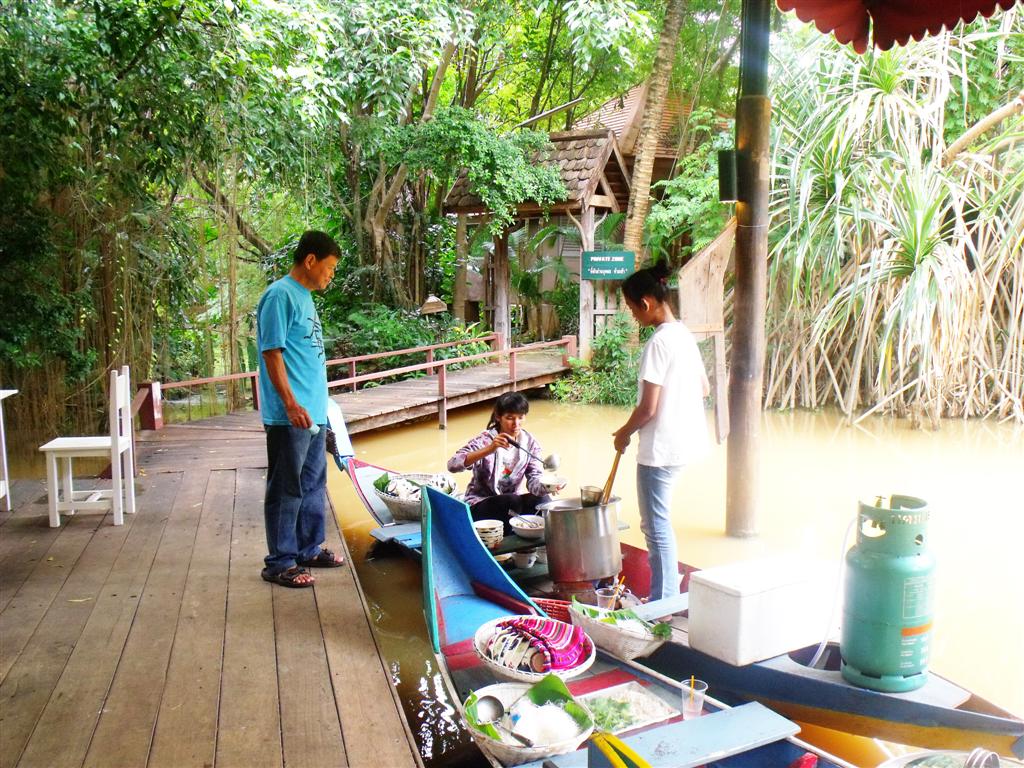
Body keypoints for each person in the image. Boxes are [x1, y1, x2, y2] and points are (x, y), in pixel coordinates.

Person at [612, 262, 710, 601]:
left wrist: (623, 433)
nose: (633, 315)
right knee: (660, 523)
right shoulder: (683, 335)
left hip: (660, 450)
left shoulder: (659, 343)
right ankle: (665, 596)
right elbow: (704, 388)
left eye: (631, 308)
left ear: (645, 303)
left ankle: (662, 602)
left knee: (655, 527)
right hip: (683, 445)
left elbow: (648, 408)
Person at [257, 230, 346, 588]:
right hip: (290, 416)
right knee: (286, 488)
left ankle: (307, 549)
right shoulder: (279, 295)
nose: (331, 275)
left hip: (314, 414)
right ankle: (280, 562)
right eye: (330, 267)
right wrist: (291, 404)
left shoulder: (305, 297)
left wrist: (323, 412)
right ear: (310, 260)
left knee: (312, 484)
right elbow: (271, 353)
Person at [447, 392, 555, 533]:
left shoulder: (530, 443)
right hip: (480, 504)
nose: (516, 424)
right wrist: (489, 449)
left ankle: (536, 539)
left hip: (513, 506)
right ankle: (507, 540)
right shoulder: (485, 440)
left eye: (520, 417)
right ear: (498, 417)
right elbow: (452, 465)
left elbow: (534, 481)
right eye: (510, 418)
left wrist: (547, 487)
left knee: (542, 501)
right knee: (510, 501)